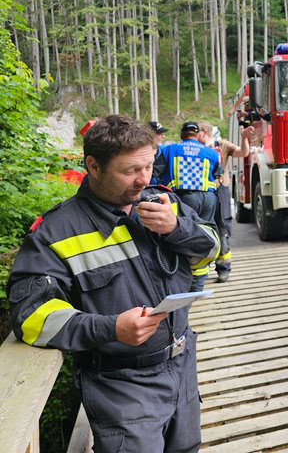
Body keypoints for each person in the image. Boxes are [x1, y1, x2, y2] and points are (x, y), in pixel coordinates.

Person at [7, 115, 219, 453]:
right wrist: (110, 328)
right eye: (129, 171)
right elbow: (32, 316)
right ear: (93, 166)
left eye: (149, 166)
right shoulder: (56, 232)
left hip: (182, 366)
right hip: (123, 388)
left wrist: (177, 228)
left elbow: (213, 250)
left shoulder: (164, 204)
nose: (143, 180)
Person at [160, 121, 221, 291]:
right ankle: (199, 283)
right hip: (209, 198)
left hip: (184, 199)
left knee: (184, 235)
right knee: (205, 235)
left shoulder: (170, 150)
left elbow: (156, 174)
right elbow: (217, 175)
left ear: (182, 134)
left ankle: (184, 283)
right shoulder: (211, 153)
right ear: (197, 134)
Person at [197, 120, 255, 282]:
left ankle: (223, 268)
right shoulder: (195, 149)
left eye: (196, 132)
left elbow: (242, 153)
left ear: (204, 133)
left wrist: (244, 139)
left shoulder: (222, 145)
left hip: (220, 190)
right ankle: (200, 269)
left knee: (222, 227)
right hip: (201, 192)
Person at [148, 120, 168, 185]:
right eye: (160, 133)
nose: (163, 136)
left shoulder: (164, 150)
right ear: (150, 134)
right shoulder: (138, 152)